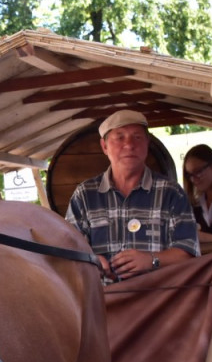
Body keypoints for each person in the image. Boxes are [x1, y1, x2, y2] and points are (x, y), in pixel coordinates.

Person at [66, 109, 199, 281]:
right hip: (101, 301)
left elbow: (189, 253)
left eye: (137, 137)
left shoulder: (171, 193)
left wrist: (151, 260)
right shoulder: (84, 195)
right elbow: (69, 249)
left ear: (147, 143)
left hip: (160, 299)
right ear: (104, 146)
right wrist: (92, 261)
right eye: (120, 137)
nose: (129, 144)